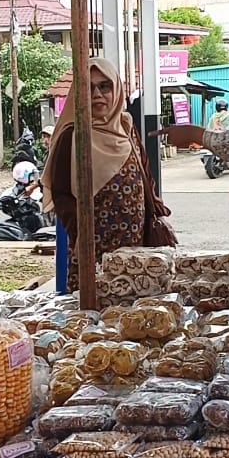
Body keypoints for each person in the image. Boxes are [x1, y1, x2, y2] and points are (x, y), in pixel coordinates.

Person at [40, 57, 175, 291]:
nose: (97, 94)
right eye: (88, 87)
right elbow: (62, 195)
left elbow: (145, 177)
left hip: (137, 252)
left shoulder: (126, 128)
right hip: (93, 253)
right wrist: (80, 234)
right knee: (95, 321)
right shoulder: (72, 136)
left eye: (105, 86)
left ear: (117, 89)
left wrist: (157, 211)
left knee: (136, 316)